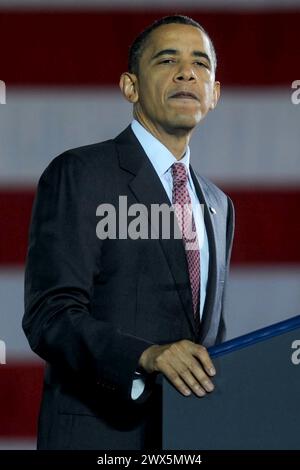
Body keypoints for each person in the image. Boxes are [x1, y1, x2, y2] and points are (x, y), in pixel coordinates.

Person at [23, 15, 235, 450]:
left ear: (214, 93)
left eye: (201, 63)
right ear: (130, 87)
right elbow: (50, 315)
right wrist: (147, 355)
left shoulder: (218, 205)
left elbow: (209, 339)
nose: (186, 72)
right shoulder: (82, 173)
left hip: (189, 442)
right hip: (98, 437)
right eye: (166, 60)